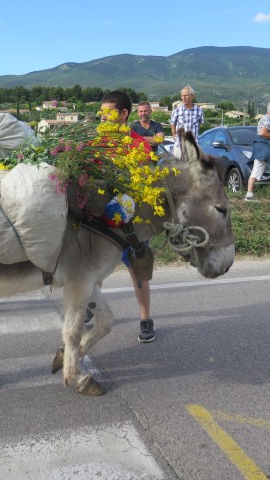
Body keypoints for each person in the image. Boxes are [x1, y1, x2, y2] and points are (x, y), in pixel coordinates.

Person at [99, 90, 155, 343]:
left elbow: (143, 184)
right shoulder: (96, 142)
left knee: (138, 269)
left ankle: (145, 319)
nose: (104, 118)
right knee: (93, 270)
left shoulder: (140, 145)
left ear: (124, 114)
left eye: (109, 113)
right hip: (99, 218)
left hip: (129, 219)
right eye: (102, 113)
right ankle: (91, 310)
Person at [170, 85, 204, 157]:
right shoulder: (177, 110)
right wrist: (174, 136)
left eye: (186, 95)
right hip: (179, 146)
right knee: (179, 167)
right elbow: (173, 124)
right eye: (182, 96)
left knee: (195, 167)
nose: (183, 98)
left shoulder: (199, 111)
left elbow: (199, 124)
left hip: (194, 146)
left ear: (193, 96)